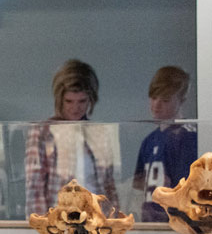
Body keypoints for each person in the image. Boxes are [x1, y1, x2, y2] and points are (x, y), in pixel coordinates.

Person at [25, 59, 118, 215]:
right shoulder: (42, 132)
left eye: (82, 101)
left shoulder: (98, 132)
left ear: (91, 100)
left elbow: (108, 185)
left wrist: (113, 220)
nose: (75, 108)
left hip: (95, 217)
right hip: (59, 218)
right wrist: (42, 225)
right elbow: (35, 187)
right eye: (69, 101)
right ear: (60, 99)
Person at [132, 66, 195, 222]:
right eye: (153, 98)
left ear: (181, 100)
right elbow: (138, 183)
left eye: (165, 100)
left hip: (176, 220)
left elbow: (187, 186)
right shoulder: (149, 140)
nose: (156, 105)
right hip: (151, 220)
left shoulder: (187, 137)